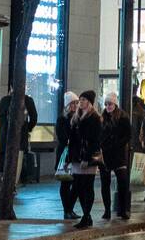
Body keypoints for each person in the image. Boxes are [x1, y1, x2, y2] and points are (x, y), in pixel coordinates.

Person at [67, 91, 103, 230]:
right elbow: (73, 140)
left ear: (89, 102)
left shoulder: (94, 118)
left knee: (87, 187)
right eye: (80, 99)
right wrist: (71, 157)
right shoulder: (76, 117)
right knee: (78, 186)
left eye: (83, 100)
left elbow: (95, 140)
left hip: (87, 157)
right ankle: (86, 216)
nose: (80, 102)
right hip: (77, 157)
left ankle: (86, 215)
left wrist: (87, 158)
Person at [99, 94, 132, 220]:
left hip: (118, 154)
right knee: (105, 182)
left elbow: (128, 135)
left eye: (110, 104)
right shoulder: (102, 118)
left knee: (122, 181)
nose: (108, 106)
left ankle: (122, 210)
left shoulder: (123, 117)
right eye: (106, 104)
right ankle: (107, 210)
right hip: (105, 154)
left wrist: (118, 144)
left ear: (115, 104)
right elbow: (99, 134)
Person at [0, 86, 37, 183]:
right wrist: (27, 128)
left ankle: (5, 183)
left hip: (5, 138)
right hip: (20, 138)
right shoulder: (27, 100)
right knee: (17, 162)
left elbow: (0, 119)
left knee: (4, 163)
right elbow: (34, 118)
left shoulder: (5, 100)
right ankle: (13, 185)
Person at [54, 90, 79, 220]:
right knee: (65, 182)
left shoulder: (78, 117)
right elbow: (62, 137)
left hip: (75, 154)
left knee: (75, 183)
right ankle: (67, 210)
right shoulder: (62, 119)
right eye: (72, 103)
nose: (75, 106)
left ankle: (70, 209)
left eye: (76, 103)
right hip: (65, 154)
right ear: (67, 105)